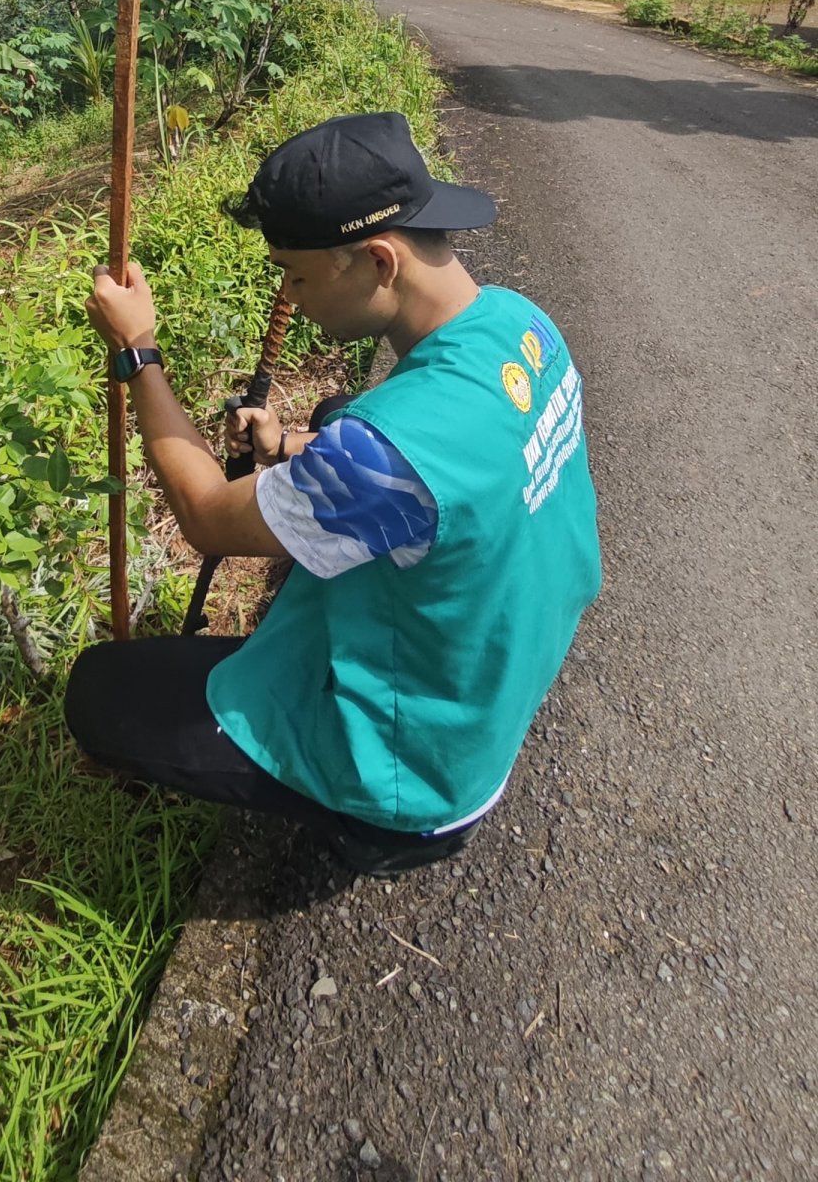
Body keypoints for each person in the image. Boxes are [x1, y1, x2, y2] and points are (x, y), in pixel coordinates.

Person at [66, 112, 601, 876]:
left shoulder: (383, 456)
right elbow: (443, 455)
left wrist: (137, 351)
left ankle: (368, 832)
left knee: (99, 691)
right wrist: (287, 449)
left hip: (419, 771)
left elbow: (208, 520)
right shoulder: (522, 323)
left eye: (298, 273)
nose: (290, 295)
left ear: (379, 261)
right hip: (491, 671)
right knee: (331, 419)